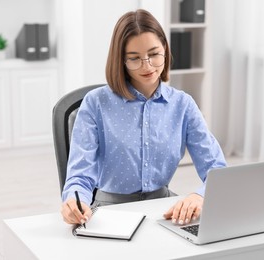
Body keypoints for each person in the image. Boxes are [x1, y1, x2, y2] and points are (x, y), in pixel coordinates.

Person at [60, 9, 226, 227]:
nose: (147, 66)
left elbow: (218, 170)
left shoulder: (183, 105)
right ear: (120, 61)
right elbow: (79, 176)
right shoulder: (95, 103)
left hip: (163, 210)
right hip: (110, 213)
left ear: (165, 50)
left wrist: (200, 196)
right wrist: (73, 200)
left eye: (154, 54)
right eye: (134, 58)